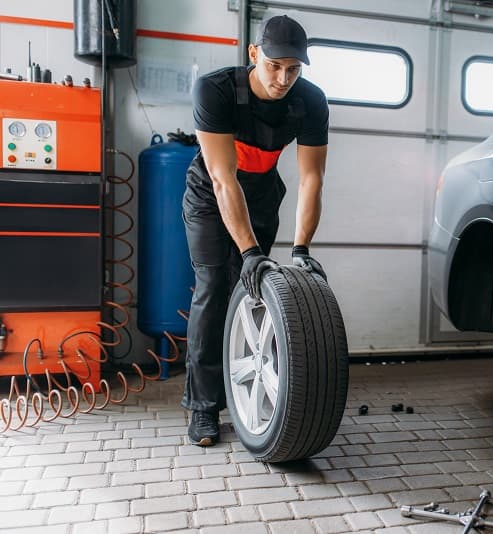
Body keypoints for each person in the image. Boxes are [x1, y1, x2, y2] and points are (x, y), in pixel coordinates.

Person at [181, 14, 329, 446]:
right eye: (274, 65)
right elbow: (223, 179)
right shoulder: (216, 89)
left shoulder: (311, 101)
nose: (283, 78)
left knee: (250, 290)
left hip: (263, 192)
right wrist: (248, 251)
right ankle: (202, 407)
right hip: (211, 193)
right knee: (213, 286)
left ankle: (242, 388)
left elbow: (311, 180)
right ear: (253, 54)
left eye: (294, 69)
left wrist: (301, 248)